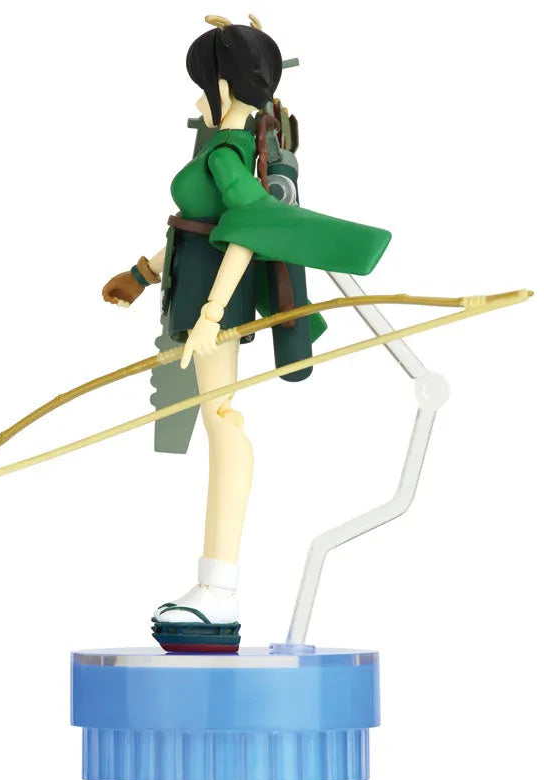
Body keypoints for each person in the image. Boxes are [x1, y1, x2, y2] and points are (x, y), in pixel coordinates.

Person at [101, 15, 391, 652]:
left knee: (222, 420)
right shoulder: (222, 148)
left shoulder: (228, 154)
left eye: (201, 85)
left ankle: (218, 586)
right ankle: (216, 586)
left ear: (224, 87)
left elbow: (248, 230)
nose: (196, 100)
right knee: (219, 419)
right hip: (194, 293)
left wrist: (212, 316)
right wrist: (142, 274)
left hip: (213, 305)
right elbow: (197, 227)